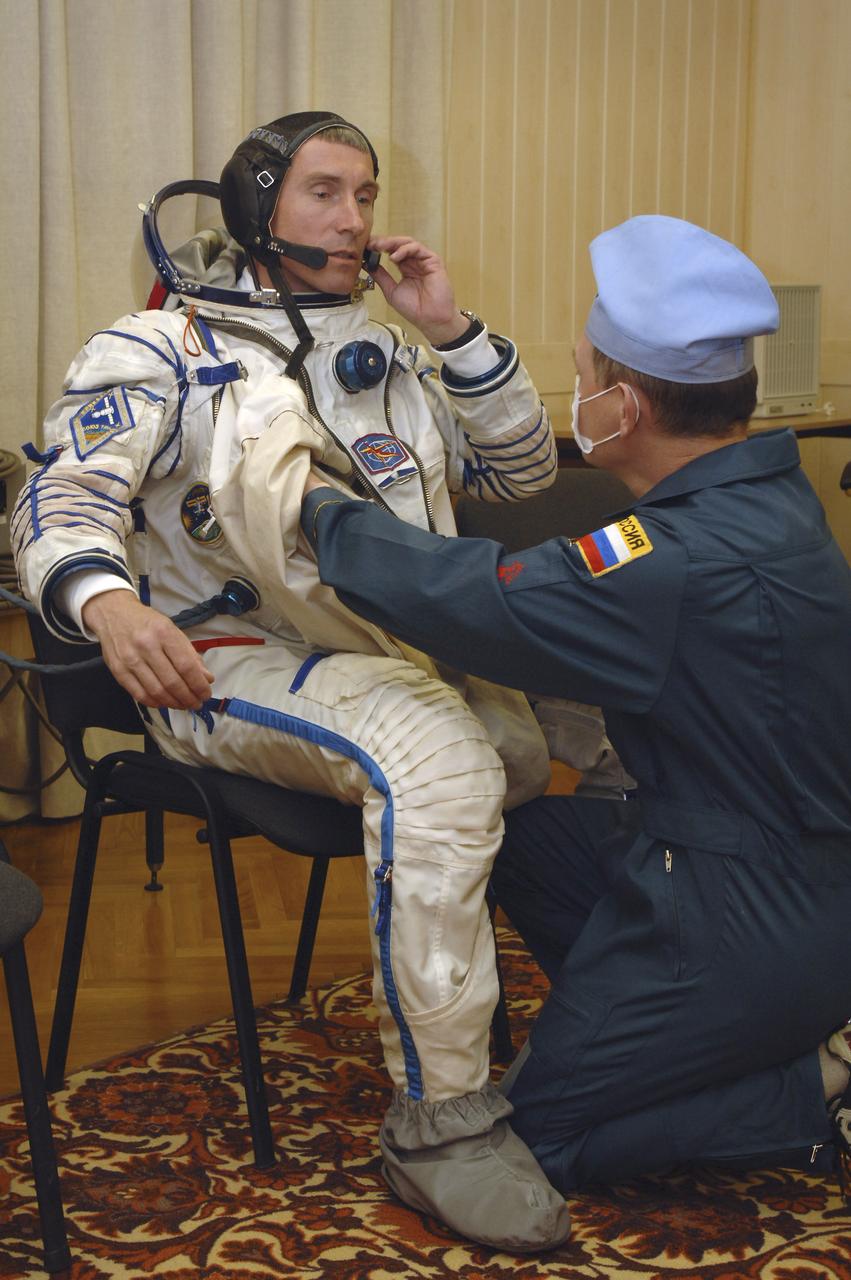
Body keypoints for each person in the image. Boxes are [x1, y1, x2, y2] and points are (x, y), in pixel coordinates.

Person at [13, 111, 572, 1251]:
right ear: (256, 205)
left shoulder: (390, 350)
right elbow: (58, 497)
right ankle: (441, 1125)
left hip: (381, 649)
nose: (354, 218)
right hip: (219, 660)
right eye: (324, 192)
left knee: (566, 725)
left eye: (364, 194)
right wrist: (108, 605)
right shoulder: (161, 349)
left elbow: (521, 474)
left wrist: (451, 329)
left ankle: (633, 1005)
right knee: (442, 758)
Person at [301, 214, 851, 1203]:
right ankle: (684, 1034)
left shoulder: (675, 559)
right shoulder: (766, 495)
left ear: (623, 408)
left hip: (745, 907)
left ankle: (808, 1090)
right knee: (522, 833)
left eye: (585, 377)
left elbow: (473, 597)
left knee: (538, 1138)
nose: (579, 393)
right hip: (770, 860)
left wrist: (309, 505)